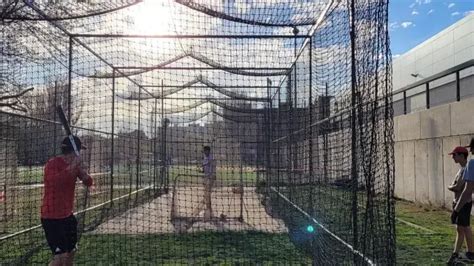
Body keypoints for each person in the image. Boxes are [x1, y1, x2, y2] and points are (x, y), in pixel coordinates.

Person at [41, 136, 93, 266]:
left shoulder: (74, 166)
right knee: (60, 258)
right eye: (79, 150)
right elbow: (56, 182)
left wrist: (84, 174)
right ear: (74, 151)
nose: (80, 153)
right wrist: (74, 166)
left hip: (67, 215)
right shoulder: (52, 164)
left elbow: (89, 182)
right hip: (52, 217)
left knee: (71, 252)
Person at [447, 146, 472, 264]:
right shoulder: (461, 169)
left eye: (454, 155)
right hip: (459, 202)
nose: (453, 157)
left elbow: (458, 187)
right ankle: (464, 252)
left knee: (463, 228)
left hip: (463, 203)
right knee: (462, 228)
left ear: (462, 155)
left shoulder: (466, 168)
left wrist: (450, 186)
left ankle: (464, 253)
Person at [201, 145, 216, 221]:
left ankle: (209, 209)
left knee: (208, 193)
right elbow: (204, 167)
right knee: (206, 193)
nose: (204, 152)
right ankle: (208, 208)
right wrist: (202, 169)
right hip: (206, 177)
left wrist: (212, 176)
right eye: (204, 151)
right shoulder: (204, 157)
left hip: (210, 177)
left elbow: (213, 168)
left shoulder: (211, 158)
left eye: (205, 150)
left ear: (208, 151)